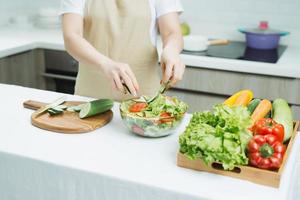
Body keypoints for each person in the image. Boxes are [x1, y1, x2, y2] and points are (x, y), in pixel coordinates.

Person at [61, 0, 185, 101]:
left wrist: (171, 50)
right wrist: (105, 64)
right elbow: (72, 36)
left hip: (144, 99)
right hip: (90, 97)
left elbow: (172, 33)